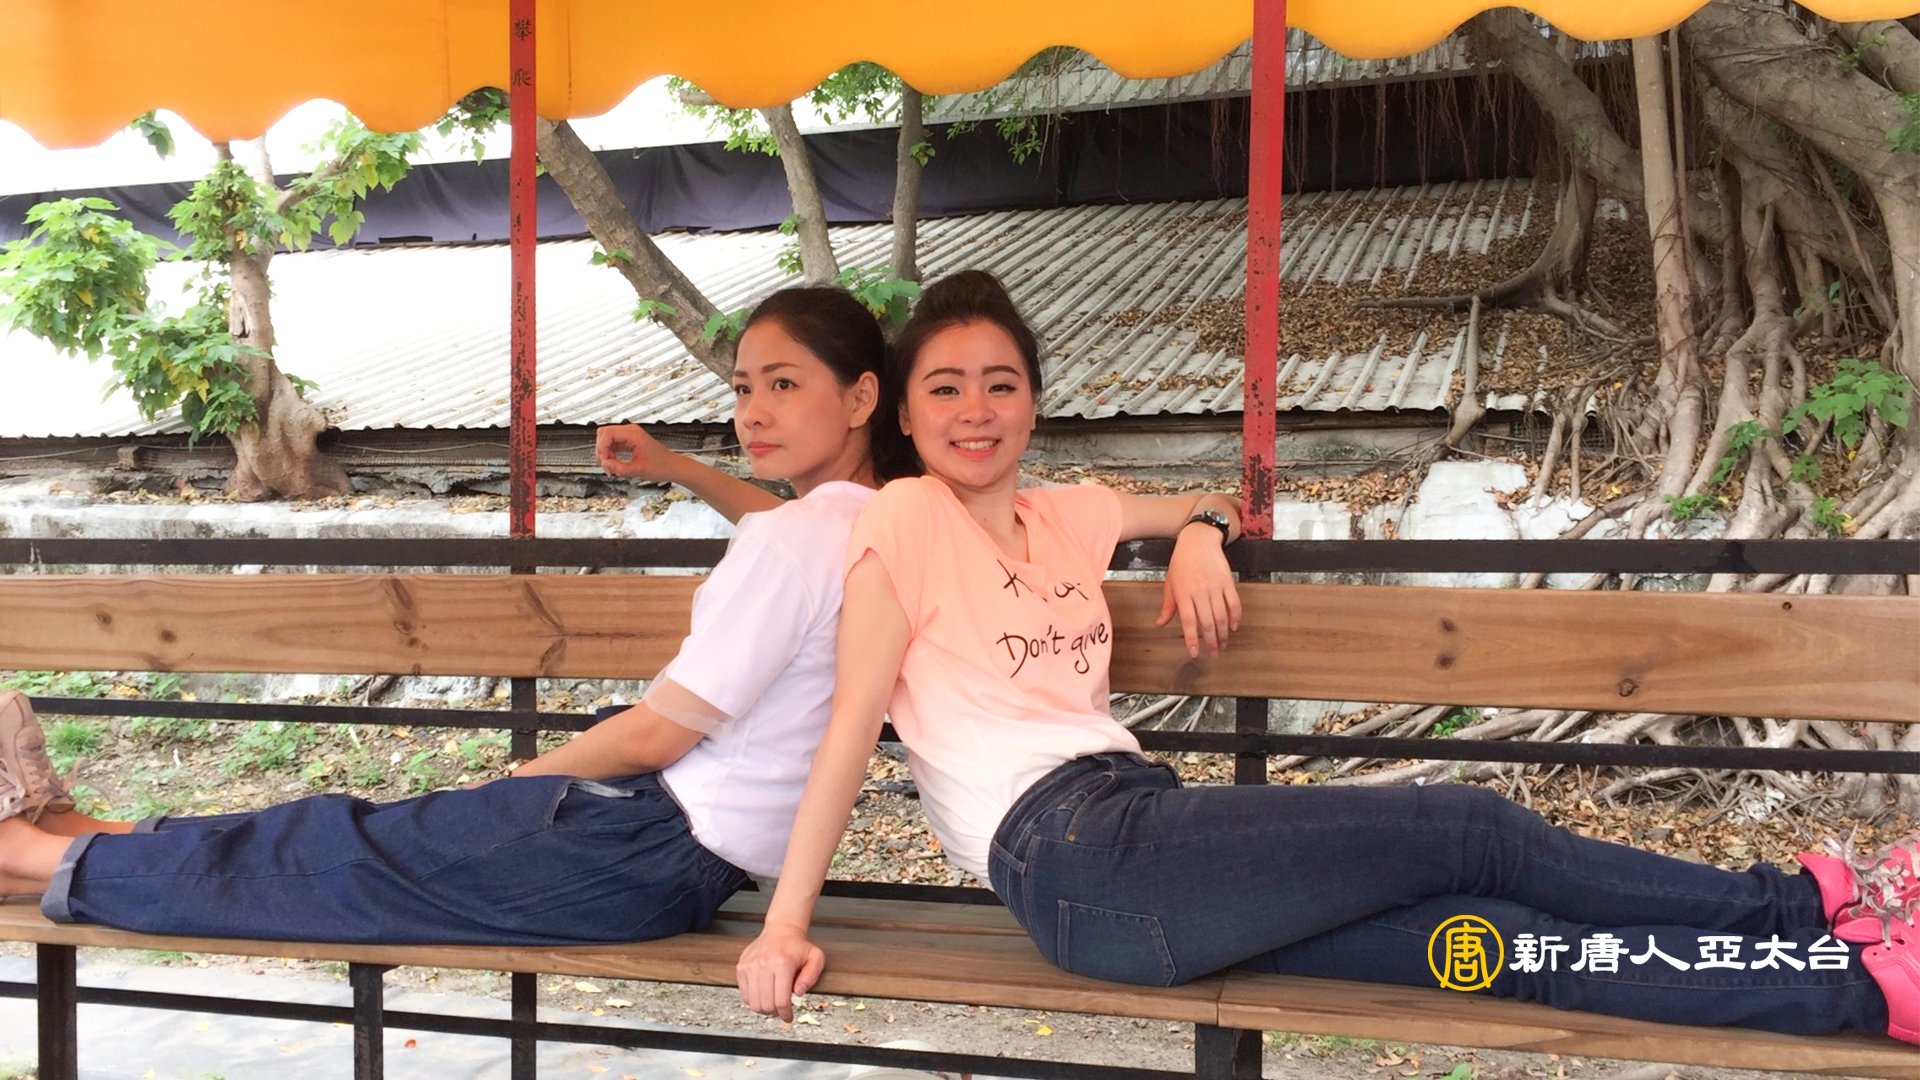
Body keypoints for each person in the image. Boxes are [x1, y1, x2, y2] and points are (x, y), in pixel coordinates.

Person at [735, 269, 1920, 1045]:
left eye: (1001, 384)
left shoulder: (1069, 512)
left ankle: (1859, 987)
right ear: (904, 414)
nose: (976, 409)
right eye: (945, 388)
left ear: (1035, 403)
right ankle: (1814, 900)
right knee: (1469, 826)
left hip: (1140, 855)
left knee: (1485, 942)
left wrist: (1202, 534)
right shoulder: (901, 518)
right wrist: (785, 924)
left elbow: (1210, 498)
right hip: (1074, 855)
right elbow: (849, 725)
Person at [0, 284, 912, 946]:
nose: (753, 411)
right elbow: (790, 530)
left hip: (638, 845)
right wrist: (677, 468)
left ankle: (33, 861)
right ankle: (84, 842)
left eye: (783, 385)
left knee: (335, 863)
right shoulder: (880, 523)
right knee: (339, 839)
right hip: (681, 857)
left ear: (862, 397)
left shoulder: (796, 540)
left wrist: (507, 787)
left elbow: (655, 735)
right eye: (744, 388)